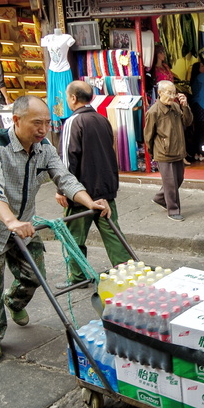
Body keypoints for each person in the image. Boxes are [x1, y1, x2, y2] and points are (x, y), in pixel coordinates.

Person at [0, 96, 110, 361]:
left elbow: (64, 178)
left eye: (47, 122)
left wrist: (91, 202)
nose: (43, 129)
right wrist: (10, 221)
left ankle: (15, 301)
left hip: (25, 225)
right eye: (37, 123)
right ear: (17, 120)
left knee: (34, 276)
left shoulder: (44, 147)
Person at [55, 81, 131, 289]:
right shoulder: (102, 119)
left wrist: (63, 189)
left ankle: (78, 277)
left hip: (81, 192)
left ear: (72, 98)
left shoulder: (73, 122)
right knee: (113, 234)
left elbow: (67, 160)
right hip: (105, 189)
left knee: (73, 236)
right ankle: (127, 272)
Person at [144, 80, 193, 222]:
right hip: (163, 152)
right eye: (169, 93)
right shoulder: (153, 111)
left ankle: (159, 198)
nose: (172, 96)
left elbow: (188, 122)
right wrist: (153, 153)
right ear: (160, 93)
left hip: (178, 150)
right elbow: (148, 135)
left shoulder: (176, 107)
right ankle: (173, 210)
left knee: (178, 179)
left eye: (174, 93)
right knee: (170, 183)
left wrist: (185, 107)